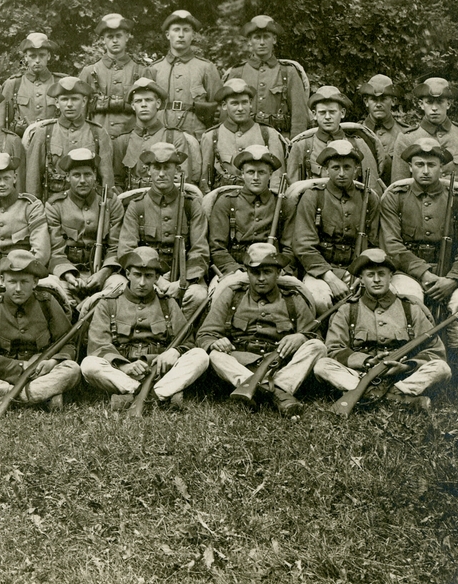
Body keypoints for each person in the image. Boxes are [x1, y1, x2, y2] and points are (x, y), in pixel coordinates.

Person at [381, 138, 458, 390]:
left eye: (432, 164)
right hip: (408, 271)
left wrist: (452, 280)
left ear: (443, 167)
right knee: (407, 299)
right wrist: (425, 275)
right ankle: (408, 361)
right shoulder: (395, 197)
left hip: (451, 273)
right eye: (419, 164)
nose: (426, 170)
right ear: (410, 167)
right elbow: (392, 247)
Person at [197, 243, 326, 417]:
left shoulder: (293, 298)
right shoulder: (232, 294)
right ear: (247, 272)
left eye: (267, 272)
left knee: (317, 347)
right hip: (241, 364)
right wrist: (215, 342)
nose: (261, 278)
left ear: (278, 272)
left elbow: (313, 335)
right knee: (215, 356)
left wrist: (301, 337)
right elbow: (205, 334)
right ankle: (278, 393)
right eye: (255, 272)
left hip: (280, 367)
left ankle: (269, 388)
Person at [313, 249, 450, 410]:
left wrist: (406, 367)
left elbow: (435, 351)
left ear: (391, 277)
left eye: (382, 274)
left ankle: (375, 395)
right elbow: (334, 350)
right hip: (360, 375)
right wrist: (365, 361)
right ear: (361, 280)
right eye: (370, 275)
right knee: (322, 365)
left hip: (402, 376)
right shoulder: (347, 310)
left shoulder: (410, 308)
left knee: (442, 368)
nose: (377, 280)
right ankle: (397, 399)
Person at [80, 247, 210, 410]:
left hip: (161, 373)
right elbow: (98, 345)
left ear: (156, 277)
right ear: (127, 274)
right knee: (89, 364)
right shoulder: (108, 303)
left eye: (148, 276)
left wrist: (174, 351)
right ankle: (158, 395)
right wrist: (124, 366)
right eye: (137, 275)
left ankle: (143, 396)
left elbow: (188, 342)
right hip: (124, 374)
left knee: (200, 356)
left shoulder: (167, 303)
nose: (142, 282)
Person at [0, 250, 80, 411]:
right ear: (2, 281)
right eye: (12, 281)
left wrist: (52, 362)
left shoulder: (47, 302)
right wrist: (23, 366)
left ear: (35, 282)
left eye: (24, 282)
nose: (18, 288)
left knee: (72, 369)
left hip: (41, 375)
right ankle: (38, 398)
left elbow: (67, 343)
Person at [288, 141, 381, 311]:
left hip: (359, 271)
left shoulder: (368, 198)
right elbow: (304, 245)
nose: (342, 173)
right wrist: (331, 278)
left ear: (357, 169)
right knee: (319, 299)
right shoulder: (313, 196)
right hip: (322, 271)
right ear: (326, 169)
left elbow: (375, 243)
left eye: (347, 167)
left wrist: (364, 273)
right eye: (336, 167)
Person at [116, 143, 209, 314]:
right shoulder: (137, 206)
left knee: (198, 296)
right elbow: (127, 250)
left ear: (177, 171)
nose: (161, 174)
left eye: (167, 168)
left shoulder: (191, 205)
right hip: (145, 276)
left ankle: (184, 338)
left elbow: (199, 250)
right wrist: (158, 281)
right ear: (148, 170)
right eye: (156, 168)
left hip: (184, 276)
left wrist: (183, 282)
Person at [391, 77, 458, 228]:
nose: (434, 108)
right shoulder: (407, 139)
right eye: (429, 102)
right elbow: (398, 187)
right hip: (419, 220)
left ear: (448, 104)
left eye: (440, 102)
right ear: (421, 104)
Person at [47, 148, 124, 299]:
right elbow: (56, 250)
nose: (82, 180)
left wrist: (104, 273)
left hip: (104, 271)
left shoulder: (111, 201)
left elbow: (116, 246)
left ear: (95, 176)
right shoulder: (55, 205)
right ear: (68, 177)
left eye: (87, 174)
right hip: (68, 273)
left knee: (120, 286)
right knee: (53, 290)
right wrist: (69, 276)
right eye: (76, 175)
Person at [22, 76, 114, 201]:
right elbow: (33, 179)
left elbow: (107, 178)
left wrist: (107, 205)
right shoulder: (43, 132)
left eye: (75, 99)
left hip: (91, 205)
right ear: (56, 103)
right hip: (53, 205)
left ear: (84, 101)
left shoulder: (98, 132)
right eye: (64, 99)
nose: (69, 104)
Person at [223, 16, 310, 137]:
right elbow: (227, 114)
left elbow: (299, 116)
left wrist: (293, 144)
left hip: (280, 139)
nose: (262, 42)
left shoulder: (288, 71)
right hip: (244, 138)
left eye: (266, 37)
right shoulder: (237, 72)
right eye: (257, 37)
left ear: (274, 39)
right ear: (249, 41)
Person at [206, 145, 285, 280]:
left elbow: (289, 247)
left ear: (270, 174)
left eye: (261, 172)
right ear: (242, 174)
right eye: (250, 172)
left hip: (273, 272)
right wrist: (235, 270)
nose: (255, 177)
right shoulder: (226, 202)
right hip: (234, 270)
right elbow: (217, 248)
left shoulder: (282, 203)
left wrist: (280, 270)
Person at [112, 77, 201, 191]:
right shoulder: (123, 141)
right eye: (138, 101)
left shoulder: (174, 137)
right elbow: (117, 181)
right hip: (132, 201)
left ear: (158, 103)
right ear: (133, 106)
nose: (143, 105)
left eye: (149, 100)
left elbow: (182, 178)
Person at [142, 10, 222, 135]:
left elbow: (219, 108)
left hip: (195, 135)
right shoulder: (154, 69)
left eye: (186, 30)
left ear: (193, 35)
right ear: (168, 35)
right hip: (160, 134)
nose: (181, 35)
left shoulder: (206, 68)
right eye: (176, 30)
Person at [199, 78, 286, 192]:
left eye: (244, 102)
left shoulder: (268, 134)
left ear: (250, 103)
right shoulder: (211, 136)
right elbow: (205, 179)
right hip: (224, 200)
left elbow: (277, 179)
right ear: (224, 105)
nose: (240, 108)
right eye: (234, 103)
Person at [286, 86, 381, 189]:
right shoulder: (302, 146)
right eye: (322, 112)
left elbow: (372, 187)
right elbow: (293, 190)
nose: (327, 117)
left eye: (332, 112)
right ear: (314, 114)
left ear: (342, 113)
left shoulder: (358, 144)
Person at [80, 13, 148, 138]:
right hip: (98, 139)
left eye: (119, 36)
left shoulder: (142, 72)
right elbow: (81, 113)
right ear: (103, 40)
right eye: (110, 37)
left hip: (132, 141)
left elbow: (149, 114)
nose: (115, 40)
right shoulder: (89, 72)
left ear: (127, 37)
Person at [0, 153, 49, 268]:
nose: (2, 184)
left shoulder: (31, 206)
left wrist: (12, 270)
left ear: (14, 178)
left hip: (24, 269)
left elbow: (41, 252)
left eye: (6, 178)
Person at [0, 32, 66, 137]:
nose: (37, 60)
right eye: (32, 56)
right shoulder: (13, 84)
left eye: (42, 55)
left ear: (49, 56)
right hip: (22, 146)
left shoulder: (61, 83)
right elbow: (1, 125)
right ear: (26, 57)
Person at [358, 75, 403, 186]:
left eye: (383, 99)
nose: (378, 104)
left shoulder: (404, 134)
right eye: (373, 99)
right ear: (366, 101)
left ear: (393, 101)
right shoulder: (356, 133)